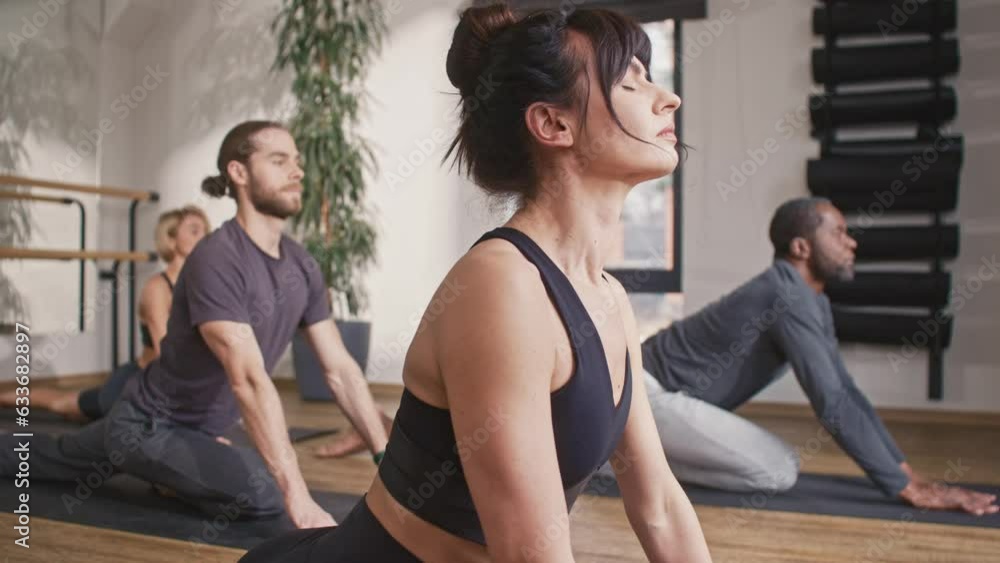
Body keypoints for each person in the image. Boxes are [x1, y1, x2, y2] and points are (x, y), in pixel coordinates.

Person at [242, 4, 712, 562]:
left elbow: (658, 506)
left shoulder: (608, 297)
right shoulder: (502, 285)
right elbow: (529, 554)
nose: (668, 98)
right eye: (629, 83)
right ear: (553, 123)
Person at [0, 120, 389, 527]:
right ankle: (164, 472)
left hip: (185, 430)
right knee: (265, 493)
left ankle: (166, 471)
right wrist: (300, 500)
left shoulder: (301, 265)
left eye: (296, 161)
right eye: (279, 161)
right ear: (239, 172)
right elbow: (248, 380)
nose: (297, 172)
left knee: (53, 457)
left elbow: (341, 370)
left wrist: (384, 459)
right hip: (149, 425)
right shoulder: (218, 258)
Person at [637, 197, 999, 516]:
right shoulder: (787, 296)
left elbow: (845, 391)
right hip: (642, 395)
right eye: (838, 233)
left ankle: (630, 452)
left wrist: (907, 475)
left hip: (661, 398)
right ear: (801, 247)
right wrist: (906, 489)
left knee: (780, 464)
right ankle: (624, 460)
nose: (851, 242)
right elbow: (830, 401)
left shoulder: (811, 300)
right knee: (778, 469)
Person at [0, 206, 209, 421]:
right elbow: (165, 352)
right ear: (171, 240)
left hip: (172, 385)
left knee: (76, 407)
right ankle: (5, 398)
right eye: (194, 231)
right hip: (139, 383)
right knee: (63, 403)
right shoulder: (158, 288)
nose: (204, 237)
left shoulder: (200, 287)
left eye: (205, 231)